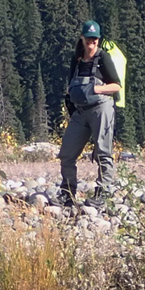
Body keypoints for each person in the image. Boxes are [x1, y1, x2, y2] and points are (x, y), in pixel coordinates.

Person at [58, 20, 121, 208]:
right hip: (80, 111)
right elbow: (70, 84)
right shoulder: (76, 59)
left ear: (98, 40)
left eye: (94, 40)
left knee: (103, 152)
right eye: (88, 39)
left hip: (101, 108)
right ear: (82, 39)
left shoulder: (103, 58)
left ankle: (104, 193)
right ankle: (67, 193)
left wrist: (97, 89)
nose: (91, 43)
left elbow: (117, 86)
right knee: (66, 153)